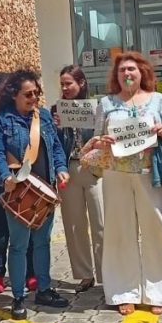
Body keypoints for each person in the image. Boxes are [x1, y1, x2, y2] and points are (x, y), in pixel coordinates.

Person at [82, 51, 162, 315]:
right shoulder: (106, 103)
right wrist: (103, 141)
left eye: (132, 70)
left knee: (158, 231)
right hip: (116, 174)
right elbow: (96, 138)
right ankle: (122, 292)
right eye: (122, 70)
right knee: (119, 232)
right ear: (116, 76)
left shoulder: (159, 100)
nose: (127, 74)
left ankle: (161, 293)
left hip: (151, 173)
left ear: (143, 73)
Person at [0, 69, 71, 319]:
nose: (34, 98)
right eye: (28, 94)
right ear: (14, 95)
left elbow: (55, 147)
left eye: (36, 93)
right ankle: (18, 296)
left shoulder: (43, 117)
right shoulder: (3, 119)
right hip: (19, 189)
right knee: (19, 245)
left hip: (45, 188)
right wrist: (5, 177)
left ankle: (44, 289)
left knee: (43, 242)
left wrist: (62, 169)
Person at [0, 72, 36, 295]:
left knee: (24, 225)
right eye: (3, 88)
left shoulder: (18, 113)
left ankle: (30, 272)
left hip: (20, 178)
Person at [53, 65, 104, 293]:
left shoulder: (97, 108)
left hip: (93, 170)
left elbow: (103, 136)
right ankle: (85, 274)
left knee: (101, 223)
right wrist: (57, 128)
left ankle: (107, 273)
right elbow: (53, 144)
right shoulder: (57, 109)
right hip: (69, 169)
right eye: (62, 84)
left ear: (81, 83)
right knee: (74, 225)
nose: (64, 88)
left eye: (68, 83)